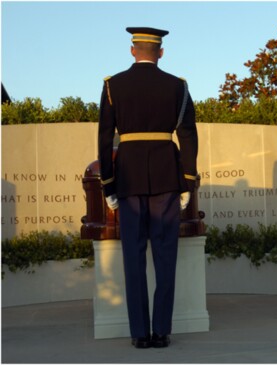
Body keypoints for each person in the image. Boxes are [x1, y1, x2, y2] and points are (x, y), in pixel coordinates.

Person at [98, 27, 198, 348]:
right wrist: (188, 180)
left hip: (127, 179)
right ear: (161, 53)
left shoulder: (113, 86)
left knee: (133, 257)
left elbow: (104, 139)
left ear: (132, 51)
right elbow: (187, 135)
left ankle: (140, 334)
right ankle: (162, 331)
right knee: (165, 256)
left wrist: (108, 184)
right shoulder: (177, 86)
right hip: (167, 176)